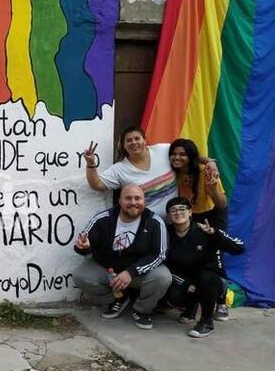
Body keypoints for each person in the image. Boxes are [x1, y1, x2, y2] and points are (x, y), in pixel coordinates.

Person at [72, 184, 172, 330]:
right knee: (81, 275)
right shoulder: (103, 218)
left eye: (138, 198)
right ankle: (117, 299)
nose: (133, 202)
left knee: (163, 277)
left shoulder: (155, 222)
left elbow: (160, 254)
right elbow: (84, 244)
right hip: (109, 271)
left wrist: (131, 272)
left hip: (138, 273)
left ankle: (142, 310)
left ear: (144, 201)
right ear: (119, 201)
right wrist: (84, 247)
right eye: (128, 198)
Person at [83, 127, 220, 218]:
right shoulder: (119, 169)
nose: (134, 142)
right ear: (124, 146)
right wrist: (91, 164)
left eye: (137, 138)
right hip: (150, 226)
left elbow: (188, 155)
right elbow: (97, 185)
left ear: (144, 140)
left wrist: (209, 161)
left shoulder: (163, 150)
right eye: (129, 140)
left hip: (178, 221)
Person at [163, 197, 244, 338]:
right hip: (186, 279)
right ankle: (191, 305)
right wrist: (184, 284)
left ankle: (206, 322)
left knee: (206, 278)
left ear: (190, 212)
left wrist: (214, 234)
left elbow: (239, 248)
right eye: (173, 210)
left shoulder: (204, 229)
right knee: (173, 295)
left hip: (211, 281)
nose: (178, 213)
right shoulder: (165, 234)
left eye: (182, 209)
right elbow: (164, 263)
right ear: (169, 216)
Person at [169, 138, 232, 319]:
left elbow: (221, 204)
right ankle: (194, 301)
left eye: (182, 154)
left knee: (215, 258)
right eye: (174, 154)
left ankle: (221, 302)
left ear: (190, 156)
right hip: (191, 216)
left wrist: (212, 189)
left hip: (212, 215)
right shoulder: (174, 173)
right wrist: (209, 159)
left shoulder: (206, 172)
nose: (177, 157)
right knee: (193, 259)